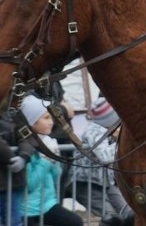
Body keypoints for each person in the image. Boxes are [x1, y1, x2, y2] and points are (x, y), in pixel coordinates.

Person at [18, 95, 84, 226]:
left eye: (51, 117)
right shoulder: (25, 147)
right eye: (46, 118)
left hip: (47, 203)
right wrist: (46, 161)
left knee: (75, 222)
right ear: (32, 122)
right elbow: (30, 184)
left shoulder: (48, 143)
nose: (51, 122)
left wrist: (54, 161)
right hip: (28, 209)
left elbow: (56, 177)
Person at [71, 98, 134, 226]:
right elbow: (104, 156)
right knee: (110, 217)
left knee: (129, 213)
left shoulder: (110, 131)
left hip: (106, 182)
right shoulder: (93, 131)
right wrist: (124, 143)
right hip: (86, 183)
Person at [1, 110, 34, 226]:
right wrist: (10, 158)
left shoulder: (13, 112)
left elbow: (28, 136)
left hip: (9, 184)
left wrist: (24, 156)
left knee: (14, 222)